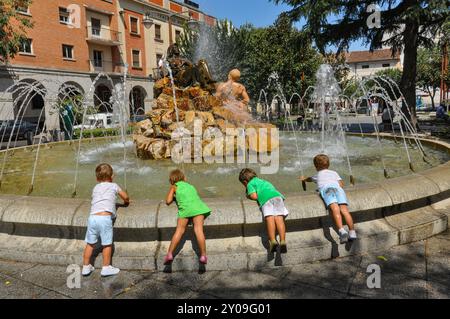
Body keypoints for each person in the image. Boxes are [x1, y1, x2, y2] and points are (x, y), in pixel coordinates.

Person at [82, 163, 130, 277]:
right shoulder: (114, 186)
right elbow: (126, 197)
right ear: (112, 176)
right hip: (105, 219)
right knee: (107, 244)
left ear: (96, 178)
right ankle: (106, 267)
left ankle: (85, 266)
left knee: (90, 243)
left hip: (93, 218)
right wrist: (126, 202)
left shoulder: (95, 187)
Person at [300, 154, 357, 244]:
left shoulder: (317, 175)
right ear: (328, 164)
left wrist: (303, 179)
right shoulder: (334, 172)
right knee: (345, 211)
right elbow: (341, 183)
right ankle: (352, 232)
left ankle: (341, 230)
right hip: (338, 189)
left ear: (316, 166)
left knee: (335, 209)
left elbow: (309, 179)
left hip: (327, 190)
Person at [164, 169, 211, 265]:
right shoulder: (191, 186)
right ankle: (203, 255)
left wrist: (173, 195)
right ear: (184, 177)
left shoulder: (174, 186)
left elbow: (168, 201)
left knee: (179, 231)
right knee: (198, 230)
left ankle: (169, 254)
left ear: (172, 180)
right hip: (198, 208)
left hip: (185, 210)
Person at [239, 168, 288, 253]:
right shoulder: (265, 181)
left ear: (245, 182)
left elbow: (254, 196)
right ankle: (283, 240)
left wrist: (248, 195)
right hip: (278, 197)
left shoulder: (250, 184)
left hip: (266, 199)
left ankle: (273, 241)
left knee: (270, 218)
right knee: (279, 219)